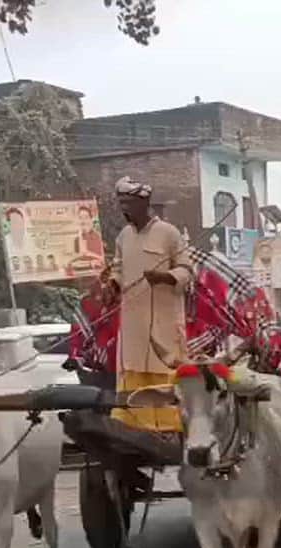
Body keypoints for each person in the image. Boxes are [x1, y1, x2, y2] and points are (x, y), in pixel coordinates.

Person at [108, 176, 194, 434]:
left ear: (144, 203)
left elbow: (188, 271)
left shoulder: (169, 233)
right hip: (133, 327)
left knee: (164, 375)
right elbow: (118, 267)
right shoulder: (124, 236)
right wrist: (113, 284)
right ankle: (130, 428)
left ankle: (169, 430)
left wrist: (165, 277)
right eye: (121, 203)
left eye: (129, 203)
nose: (124, 209)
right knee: (131, 374)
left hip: (163, 327)